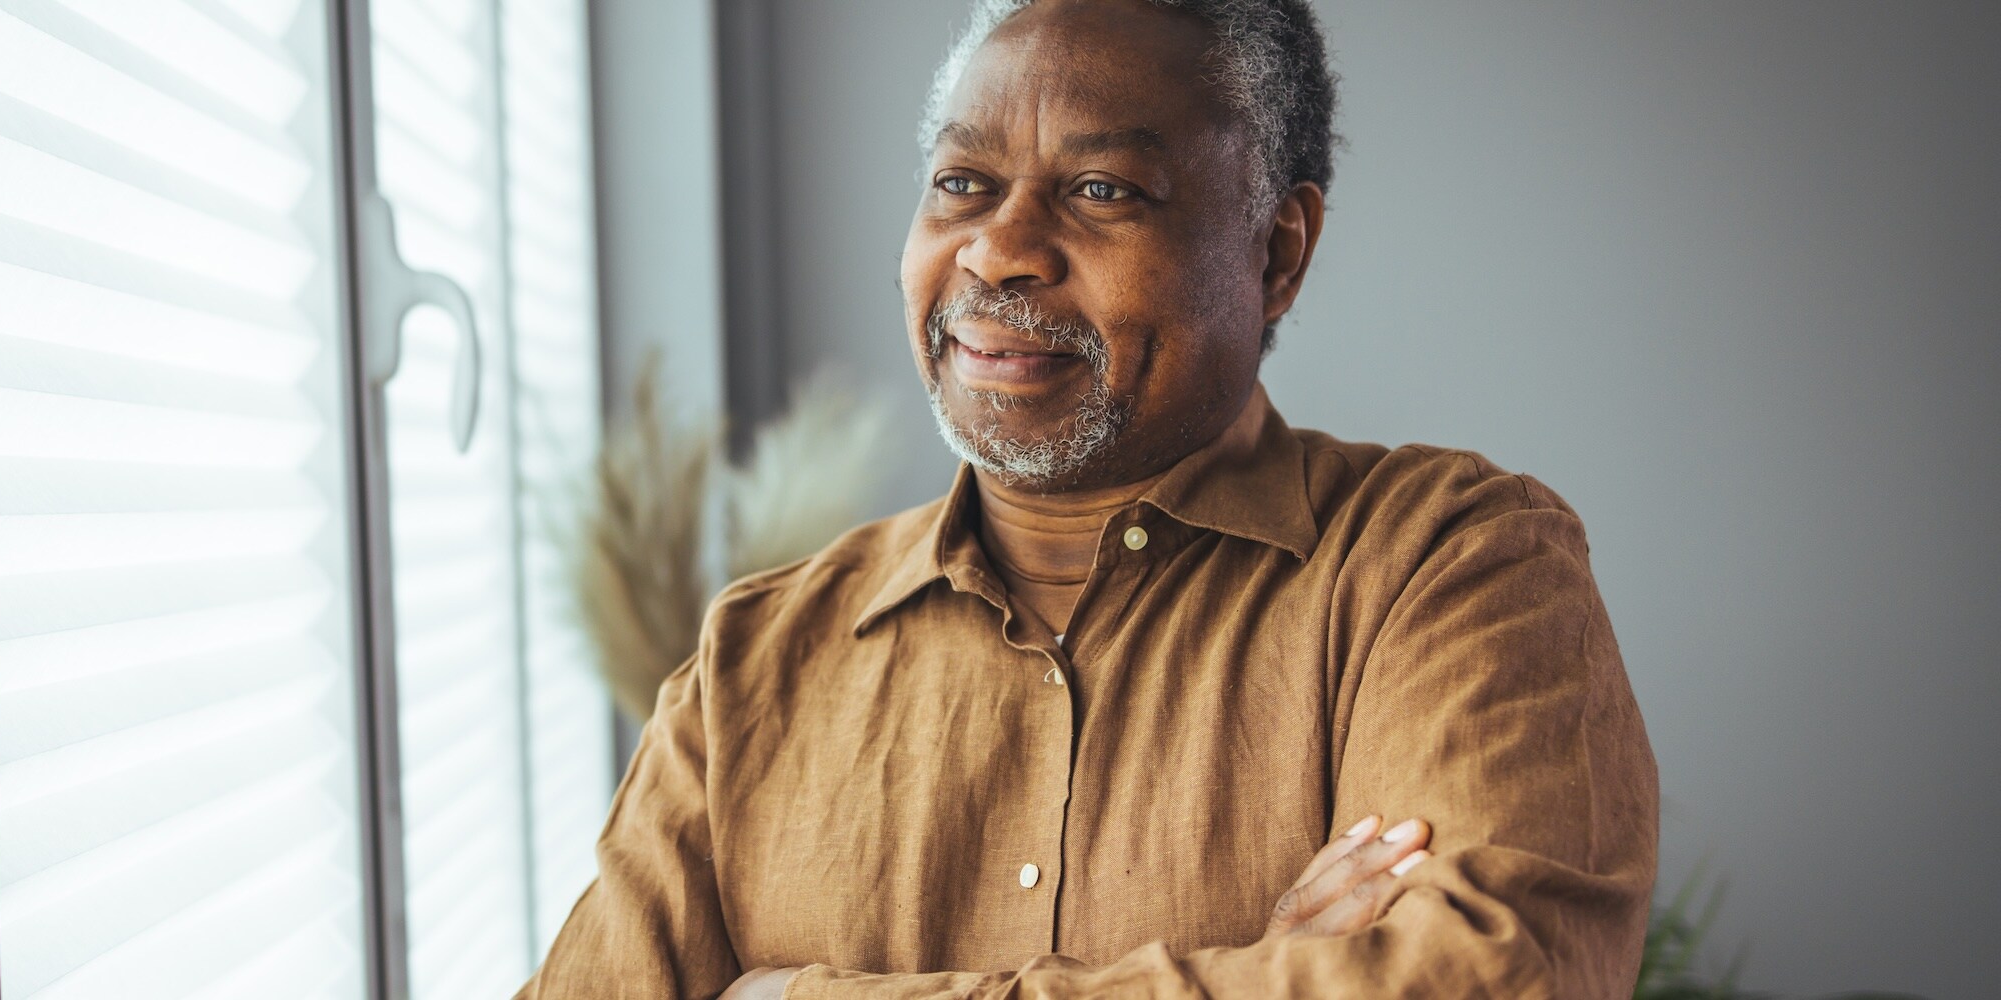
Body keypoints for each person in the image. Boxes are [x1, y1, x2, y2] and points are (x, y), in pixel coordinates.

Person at [521, 0, 1658, 995]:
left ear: (1276, 253)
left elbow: (1491, 984)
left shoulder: (1452, 565)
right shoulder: (750, 668)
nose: (999, 249)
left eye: (1103, 189)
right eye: (962, 183)